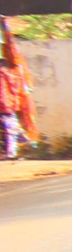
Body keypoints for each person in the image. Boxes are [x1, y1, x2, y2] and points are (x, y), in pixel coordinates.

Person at [0, 22, 34, 157]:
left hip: (6, 100)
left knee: (8, 120)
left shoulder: (6, 72)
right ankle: (18, 141)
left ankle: (12, 149)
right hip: (7, 100)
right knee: (8, 121)